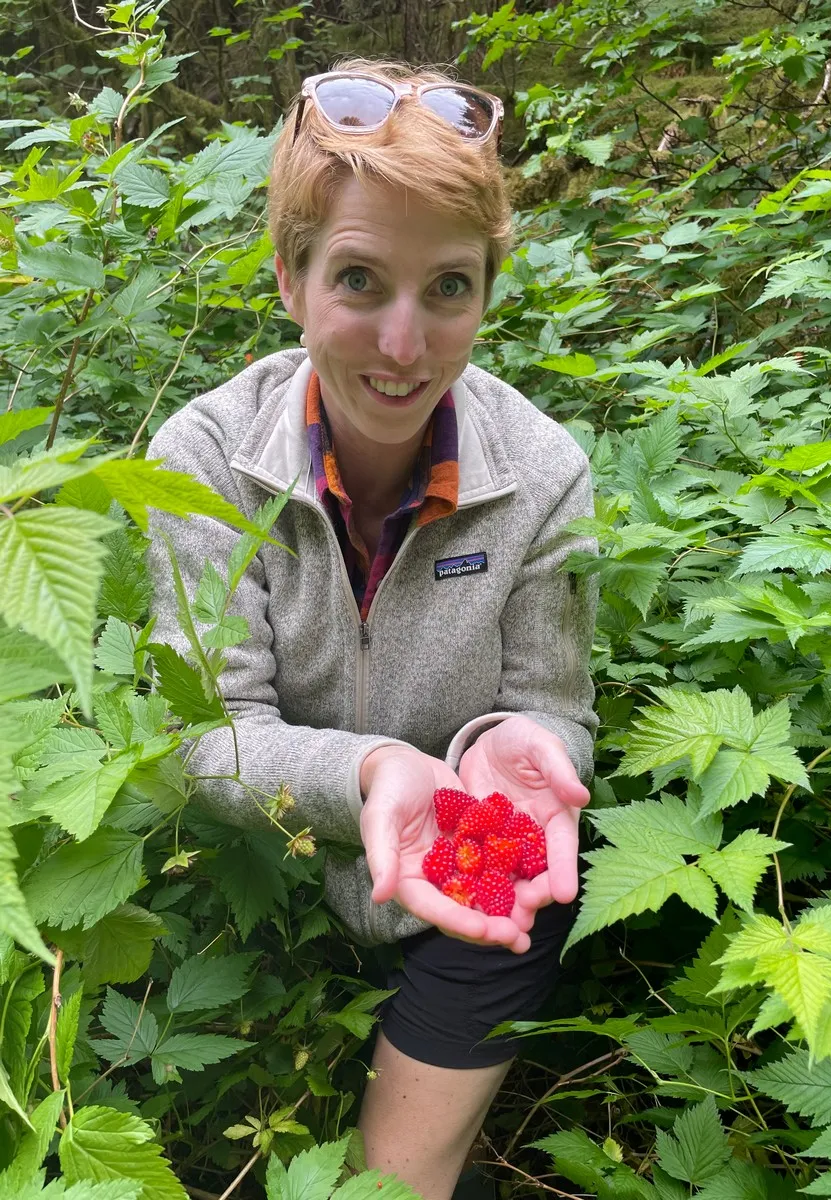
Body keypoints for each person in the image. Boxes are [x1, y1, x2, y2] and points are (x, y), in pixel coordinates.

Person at [146, 58, 599, 1200]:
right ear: (291, 279)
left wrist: (530, 746)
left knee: (386, 1187)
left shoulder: (543, 473)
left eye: (448, 287)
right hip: (261, 903)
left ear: (487, 289)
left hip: (478, 888)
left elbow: (555, 709)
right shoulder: (201, 467)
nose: (405, 344)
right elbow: (206, 735)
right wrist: (377, 775)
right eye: (359, 279)